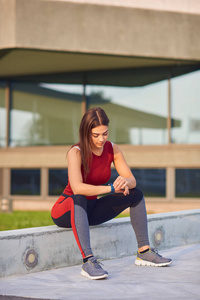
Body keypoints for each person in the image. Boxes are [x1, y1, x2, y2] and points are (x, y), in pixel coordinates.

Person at [51, 107, 172, 280]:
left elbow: (132, 180)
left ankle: (144, 252)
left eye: (105, 133)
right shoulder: (75, 152)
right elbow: (77, 188)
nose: (101, 139)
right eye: (96, 135)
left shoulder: (112, 149)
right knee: (78, 198)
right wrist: (111, 188)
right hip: (67, 208)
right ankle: (88, 261)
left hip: (91, 209)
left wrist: (124, 182)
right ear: (86, 133)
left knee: (135, 194)